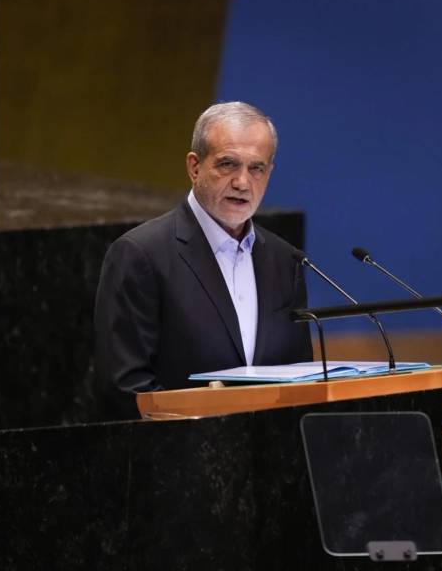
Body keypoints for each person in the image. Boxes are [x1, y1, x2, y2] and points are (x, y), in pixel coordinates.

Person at [94, 101, 312, 417]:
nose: (242, 182)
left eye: (256, 168)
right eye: (227, 164)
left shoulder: (284, 259)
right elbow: (125, 386)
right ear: (194, 167)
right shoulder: (141, 254)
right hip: (178, 456)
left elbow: (300, 377)